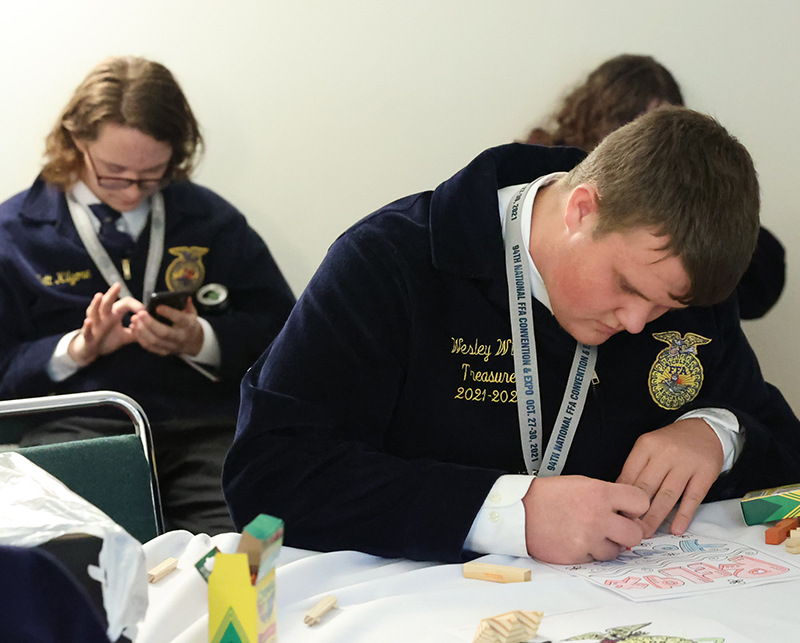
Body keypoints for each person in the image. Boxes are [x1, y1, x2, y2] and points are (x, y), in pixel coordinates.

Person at [223, 106, 800, 565]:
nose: (636, 323)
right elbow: (268, 477)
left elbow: (779, 439)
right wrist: (506, 512)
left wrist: (720, 433)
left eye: (666, 305)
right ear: (581, 209)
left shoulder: (675, 279)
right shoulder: (389, 262)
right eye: (624, 286)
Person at [0, 57, 295, 535]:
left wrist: (199, 339)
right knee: (70, 558)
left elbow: (287, 337)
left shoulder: (211, 221)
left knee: (253, 544)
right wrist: (75, 351)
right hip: (77, 431)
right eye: (114, 172)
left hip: (203, 426)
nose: (134, 192)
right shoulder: (13, 234)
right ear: (76, 140)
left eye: (153, 174)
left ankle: (241, 609)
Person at [524, 54, 785, 320]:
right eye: (631, 125)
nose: (648, 144)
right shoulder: (534, 179)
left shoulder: (683, 199)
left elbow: (759, 291)